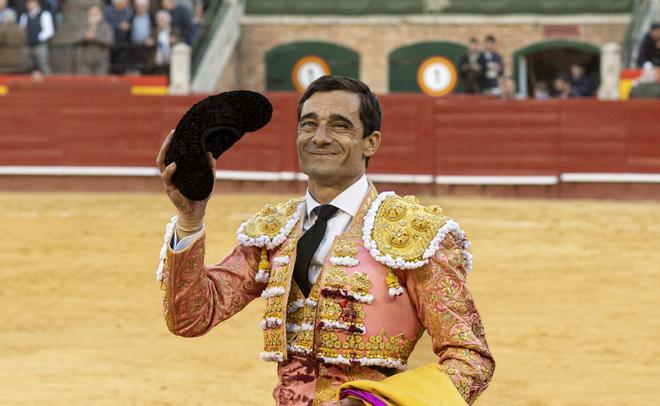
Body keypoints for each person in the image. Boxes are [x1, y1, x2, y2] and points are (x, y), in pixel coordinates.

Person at [155, 76, 495, 405]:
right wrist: (190, 219)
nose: (319, 137)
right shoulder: (274, 231)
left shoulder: (415, 233)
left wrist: (381, 403)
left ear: (370, 142)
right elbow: (191, 318)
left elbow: (470, 357)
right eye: (308, 124)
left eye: (340, 125)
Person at [75, 5, 113, 75]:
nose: (94, 17)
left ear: (101, 15)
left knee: (100, 84)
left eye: (96, 14)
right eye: (92, 14)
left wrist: (95, 37)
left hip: (101, 63)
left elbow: (109, 41)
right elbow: (76, 38)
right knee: (85, 84)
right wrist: (85, 36)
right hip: (84, 63)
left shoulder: (106, 27)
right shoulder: (82, 26)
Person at [18, 0, 53, 75]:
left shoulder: (44, 14)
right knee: (27, 67)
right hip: (27, 46)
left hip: (40, 46)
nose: (29, 5)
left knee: (43, 66)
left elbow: (49, 31)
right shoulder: (24, 16)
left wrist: (37, 38)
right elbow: (21, 30)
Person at [103, 0, 132, 73]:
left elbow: (129, 22)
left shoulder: (128, 10)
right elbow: (105, 24)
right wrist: (118, 25)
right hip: (110, 43)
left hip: (123, 44)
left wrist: (128, 26)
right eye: (124, 3)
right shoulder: (108, 10)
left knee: (121, 66)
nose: (126, 4)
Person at [150, 9, 178, 74]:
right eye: (159, 19)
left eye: (163, 19)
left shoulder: (175, 31)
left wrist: (175, 41)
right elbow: (148, 41)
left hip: (171, 62)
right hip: (157, 63)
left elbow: (180, 42)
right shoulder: (153, 32)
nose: (161, 21)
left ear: (168, 20)